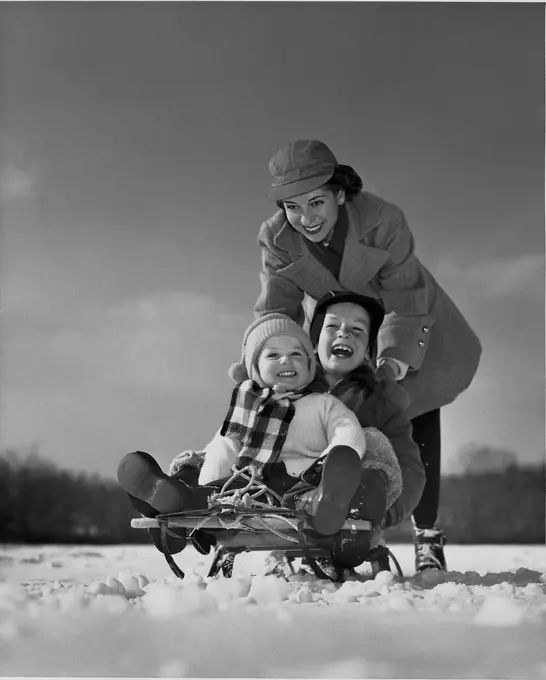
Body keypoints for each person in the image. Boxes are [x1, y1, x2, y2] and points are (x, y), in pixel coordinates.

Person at [253, 139, 482, 570]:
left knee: (411, 414)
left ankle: (427, 536)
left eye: (316, 202)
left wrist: (392, 359)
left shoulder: (382, 221)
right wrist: (265, 355)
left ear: (339, 193)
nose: (306, 218)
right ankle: (320, 523)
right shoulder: (276, 237)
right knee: (319, 416)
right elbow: (277, 308)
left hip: (412, 326)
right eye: (293, 207)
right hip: (344, 330)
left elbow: (404, 296)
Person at [118, 313, 403, 575]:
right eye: (273, 355)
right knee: (215, 496)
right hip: (250, 487)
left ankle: (331, 502)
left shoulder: (323, 403)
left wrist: (339, 456)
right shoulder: (246, 406)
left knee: (344, 473)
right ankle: (177, 500)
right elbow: (225, 447)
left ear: (310, 365)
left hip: (306, 482)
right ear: (254, 368)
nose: (286, 361)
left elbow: (347, 431)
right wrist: (206, 489)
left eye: (296, 354)